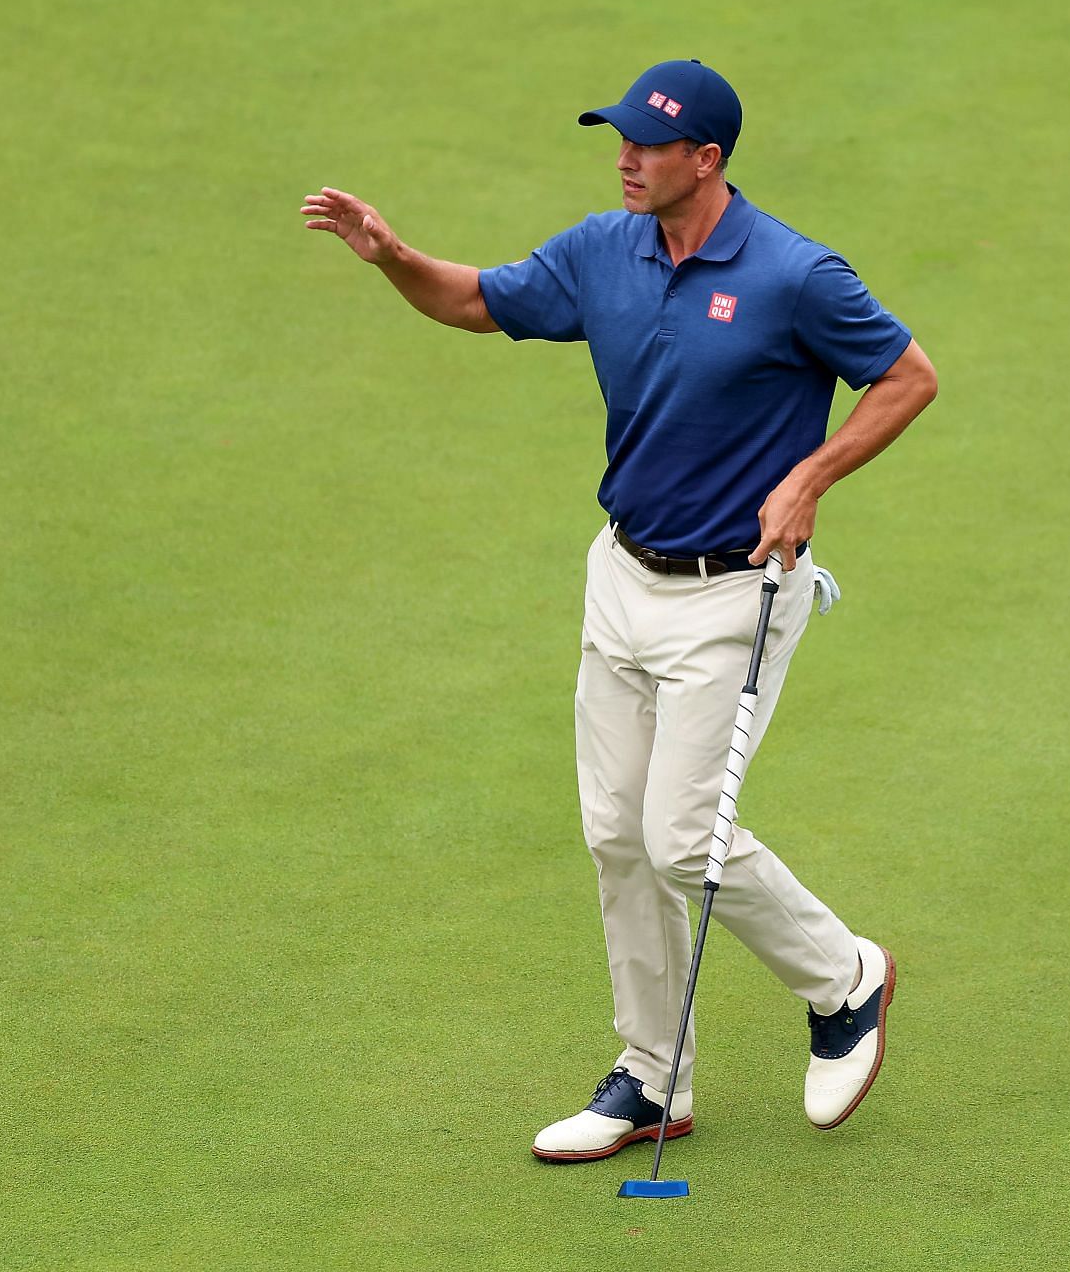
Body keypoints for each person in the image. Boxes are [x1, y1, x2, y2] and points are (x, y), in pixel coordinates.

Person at [302, 59, 938, 1162]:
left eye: (649, 143)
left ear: (709, 159)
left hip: (736, 591)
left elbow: (907, 376)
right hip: (622, 578)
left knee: (682, 833)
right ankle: (655, 1077)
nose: (625, 156)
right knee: (616, 836)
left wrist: (810, 477)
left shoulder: (793, 274)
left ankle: (847, 979)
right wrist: (395, 257)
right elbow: (474, 299)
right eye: (622, 137)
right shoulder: (606, 248)